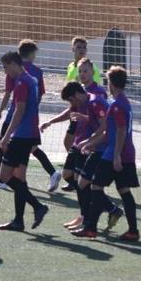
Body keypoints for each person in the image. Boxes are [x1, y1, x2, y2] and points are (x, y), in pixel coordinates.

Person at [41, 81, 122, 231]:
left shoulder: (95, 102)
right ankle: (105, 210)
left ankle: (88, 217)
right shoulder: (82, 102)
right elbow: (70, 113)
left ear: (77, 94)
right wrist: (51, 121)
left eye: (72, 100)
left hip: (91, 146)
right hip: (81, 143)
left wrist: (89, 140)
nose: (72, 104)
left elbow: (105, 125)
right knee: (69, 176)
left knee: (83, 183)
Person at [72, 66, 139, 241]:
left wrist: (116, 155)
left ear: (112, 84)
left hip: (114, 155)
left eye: (108, 82)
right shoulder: (124, 102)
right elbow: (110, 132)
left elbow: (121, 131)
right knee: (124, 190)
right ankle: (133, 230)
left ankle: (90, 228)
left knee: (95, 186)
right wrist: (90, 142)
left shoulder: (116, 105)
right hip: (126, 153)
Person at [0, 40, 62, 192]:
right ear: (32, 54)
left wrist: (0, 111)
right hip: (30, 119)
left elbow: (8, 93)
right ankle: (52, 172)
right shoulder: (37, 71)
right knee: (31, 148)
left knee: (3, 146)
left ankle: (2, 180)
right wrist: (32, 110)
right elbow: (40, 94)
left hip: (14, 118)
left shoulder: (13, 69)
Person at [0, 51, 49, 231]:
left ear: (13, 64)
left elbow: (19, 111)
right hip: (30, 134)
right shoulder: (30, 79)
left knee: (4, 176)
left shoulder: (21, 84)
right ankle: (19, 220)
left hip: (21, 135)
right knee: (19, 178)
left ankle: (38, 206)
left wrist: (6, 136)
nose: (5, 72)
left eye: (5, 67)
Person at [60, 37, 102, 190]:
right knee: (68, 141)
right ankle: (77, 172)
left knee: (78, 144)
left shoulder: (93, 69)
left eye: (84, 47)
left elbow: (94, 91)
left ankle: (84, 174)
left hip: (85, 114)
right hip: (76, 110)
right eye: (79, 47)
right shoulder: (71, 67)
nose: (82, 50)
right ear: (73, 49)